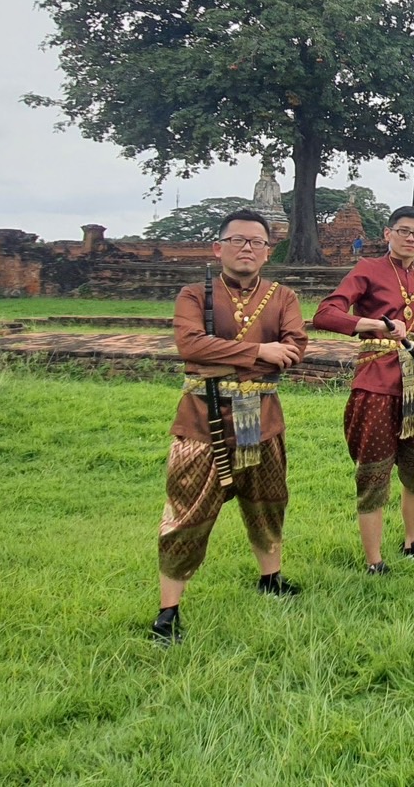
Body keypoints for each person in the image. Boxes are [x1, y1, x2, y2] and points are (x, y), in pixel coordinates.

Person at [153, 210, 307, 644]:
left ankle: (270, 578)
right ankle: (169, 610)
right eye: (238, 240)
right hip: (203, 420)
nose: (247, 249)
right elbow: (190, 345)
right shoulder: (193, 295)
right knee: (188, 511)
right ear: (218, 248)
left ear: (267, 251)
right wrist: (261, 350)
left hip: (261, 419)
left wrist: (228, 356)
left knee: (268, 502)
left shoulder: (283, 297)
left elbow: (294, 348)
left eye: (256, 242)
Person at [313, 206, 414, 572]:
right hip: (375, 382)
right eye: (403, 231)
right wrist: (374, 324)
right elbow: (325, 313)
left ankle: (413, 541)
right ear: (387, 233)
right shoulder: (367, 270)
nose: (410, 238)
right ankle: (374, 561)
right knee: (374, 469)